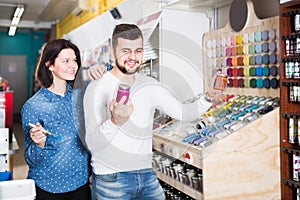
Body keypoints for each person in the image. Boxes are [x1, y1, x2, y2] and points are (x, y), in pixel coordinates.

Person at [83, 23, 222, 200]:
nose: (133, 57)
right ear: (113, 51)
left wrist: (208, 97)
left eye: (138, 51)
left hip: (147, 175)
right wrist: (115, 122)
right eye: (126, 51)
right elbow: (92, 143)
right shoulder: (96, 87)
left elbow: (184, 113)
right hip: (111, 179)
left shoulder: (150, 85)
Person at [21, 38, 104, 200]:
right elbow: (31, 159)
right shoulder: (33, 106)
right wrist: (39, 144)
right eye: (66, 61)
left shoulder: (80, 96)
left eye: (74, 60)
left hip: (80, 184)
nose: (72, 65)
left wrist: (101, 68)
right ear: (49, 65)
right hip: (48, 187)